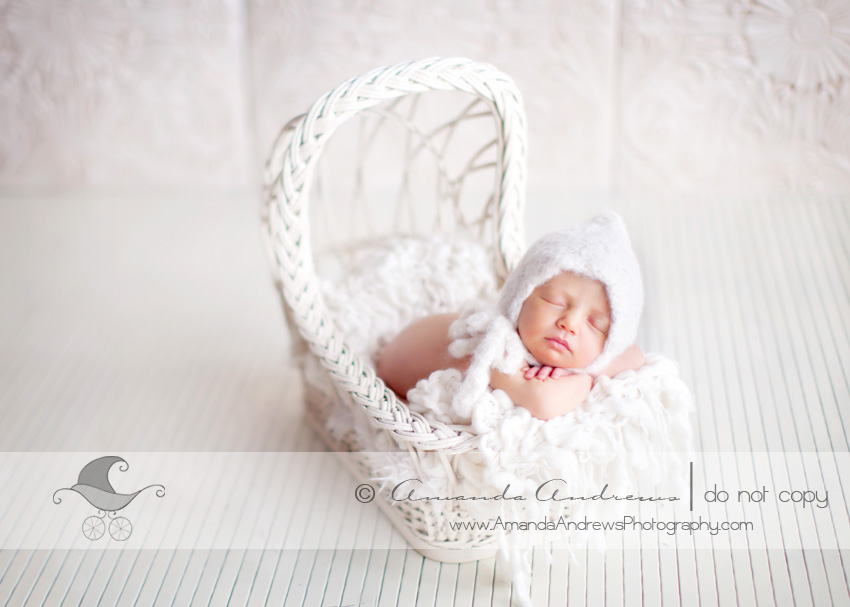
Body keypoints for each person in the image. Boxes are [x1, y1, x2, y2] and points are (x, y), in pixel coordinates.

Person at [377, 212, 646, 421]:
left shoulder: (551, 341)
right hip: (393, 368)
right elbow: (543, 401)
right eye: (555, 301)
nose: (570, 323)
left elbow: (635, 356)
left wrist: (583, 364)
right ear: (520, 296)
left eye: (595, 324)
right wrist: (584, 376)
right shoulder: (497, 347)